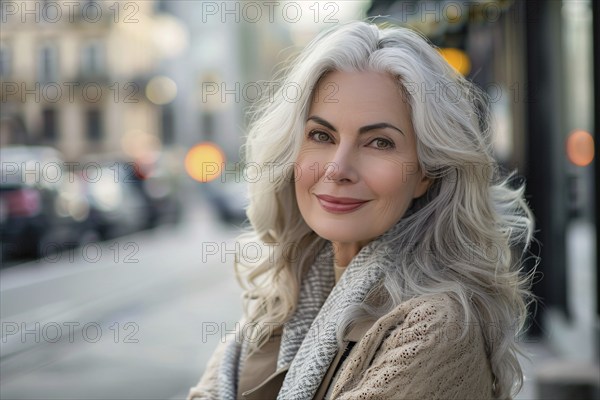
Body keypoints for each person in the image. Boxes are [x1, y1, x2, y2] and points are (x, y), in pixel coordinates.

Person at [187, 21, 536, 400]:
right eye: (321, 135)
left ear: (427, 172)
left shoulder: (436, 325)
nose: (337, 169)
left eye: (379, 143)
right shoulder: (286, 294)